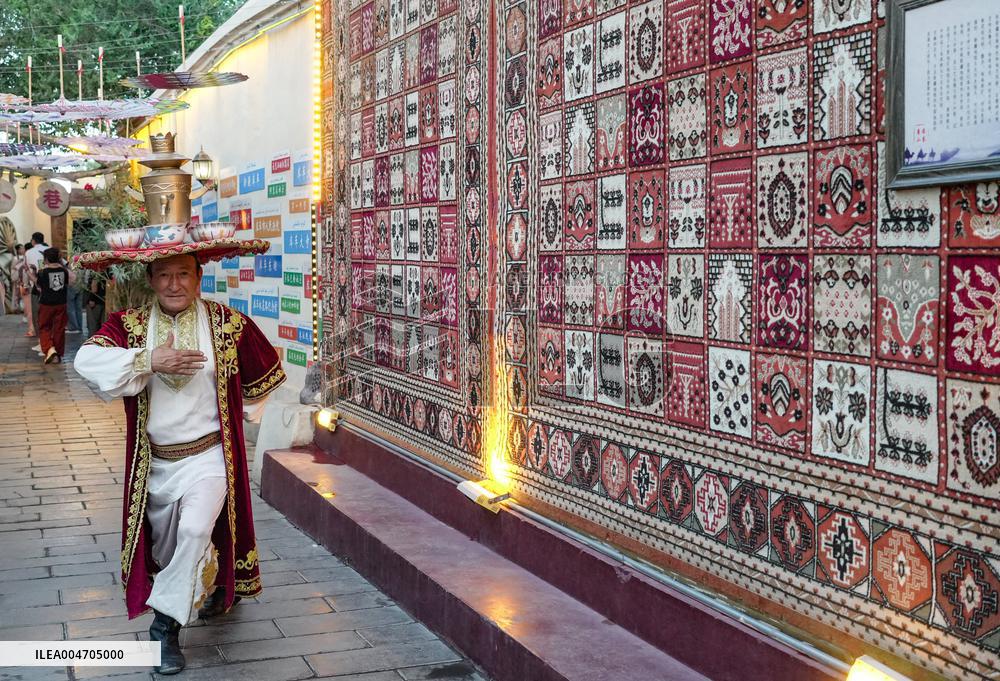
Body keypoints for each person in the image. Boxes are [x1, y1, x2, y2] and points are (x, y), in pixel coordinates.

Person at [74, 253, 285, 675]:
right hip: (154, 462)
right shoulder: (128, 325)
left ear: (198, 276)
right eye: (165, 275)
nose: (174, 284)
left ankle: (164, 627)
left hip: (209, 456)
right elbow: (85, 361)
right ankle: (209, 579)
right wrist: (147, 360)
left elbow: (266, 376)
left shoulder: (228, 324)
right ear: (151, 279)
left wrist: (246, 413)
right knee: (167, 549)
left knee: (193, 529)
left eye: (183, 274)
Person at [36, 247, 69, 363]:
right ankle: (57, 355)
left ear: (46, 259)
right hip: (61, 303)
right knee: (59, 328)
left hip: (46, 304)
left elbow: (39, 288)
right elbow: (70, 282)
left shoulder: (42, 272)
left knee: (44, 327)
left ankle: (50, 349)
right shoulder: (64, 271)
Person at [25, 232, 48, 350]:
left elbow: (27, 269)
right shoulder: (50, 249)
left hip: (36, 285)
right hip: (51, 287)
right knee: (49, 315)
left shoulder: (29, 252)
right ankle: (49, 342)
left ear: (33, 241)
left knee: (37, 315)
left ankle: (41, 342)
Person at [14, 244, 34, 335]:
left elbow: (18, 273)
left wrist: (24, 285)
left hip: (27, 286)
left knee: (29, 309)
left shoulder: (24, 260)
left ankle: (32, 330)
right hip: (36, 287)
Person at [83, 272, 107, 338]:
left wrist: (92, 298)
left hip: (95, 301)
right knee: (102, 325)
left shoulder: (95, 269)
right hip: (104, 300)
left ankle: (92, 344)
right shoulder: (108, 269)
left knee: (93, 326)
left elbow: (94, 285)